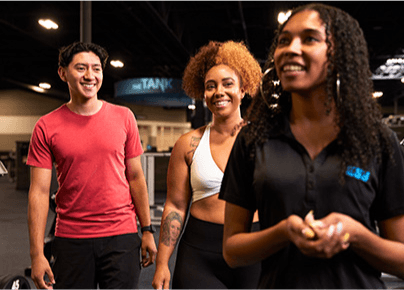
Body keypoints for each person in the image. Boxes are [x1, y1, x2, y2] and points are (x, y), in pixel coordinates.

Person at [219, 3, 404, 289]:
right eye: (284, 40)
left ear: (339, 54)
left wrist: (355, 235)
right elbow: (232, 251)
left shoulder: (377, 141)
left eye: (309, 39)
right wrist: (282, 232)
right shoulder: (252, 141)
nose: (291, 48)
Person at [27, 42, 157, 290]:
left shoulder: (124, 117)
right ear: (63, 73)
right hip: (71, 238)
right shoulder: (46, 126)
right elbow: (39, 193)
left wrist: (148, 229)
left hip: (121, 236)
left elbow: (136, 177)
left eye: (96, 69)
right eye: (81, 68)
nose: (90, 76)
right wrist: (36, 254)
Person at [152, 40, 262, 290]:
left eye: (228, 84)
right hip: (199, 254)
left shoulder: (263, 140)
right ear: (203, 94)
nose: (219, 92)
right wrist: (162, 262)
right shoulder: (187, 144)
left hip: (253, 249)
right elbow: (176, 206)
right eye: (210, 86)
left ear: (243, 90)